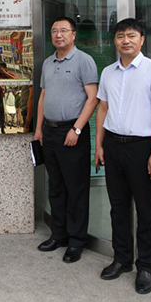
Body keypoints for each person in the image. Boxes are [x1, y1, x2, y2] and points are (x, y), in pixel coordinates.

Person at [94, 18, 151, 294]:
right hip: (113, 145)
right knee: (118, 206)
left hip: (143, 147)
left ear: (142, 39)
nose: (125, 40)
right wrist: (99, 145)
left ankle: (146, 267)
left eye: (131, 35)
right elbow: (103, 109)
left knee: (146, 209)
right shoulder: (108, 72)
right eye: (120, 36)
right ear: (114, 41)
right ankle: (122, 259)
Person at [34, 17, 99, 264]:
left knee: (76, 189)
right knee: (56, 186)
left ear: (73, 34)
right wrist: (39, 129)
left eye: (63, 30)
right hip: (49, 133)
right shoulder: (48, 63)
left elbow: (93, 98)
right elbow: (43, 97)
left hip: (72, 132)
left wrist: (77, 129)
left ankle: (76, 240)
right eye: (54, 31)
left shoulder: (84, 60)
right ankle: (58, 234)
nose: (58, 35)